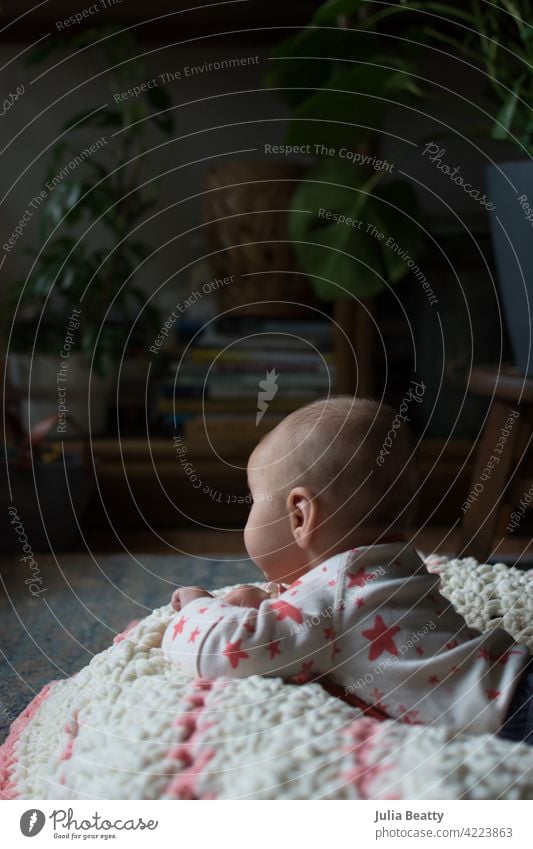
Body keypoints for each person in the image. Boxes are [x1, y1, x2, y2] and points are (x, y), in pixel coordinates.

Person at [162, 395, 532, 741]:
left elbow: (224, 650)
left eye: (253, 500)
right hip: (515, 675)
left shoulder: (329, 600)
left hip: (509, 717)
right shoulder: (396, 563)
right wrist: (272, 604)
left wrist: (197, 605)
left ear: (300, 516)